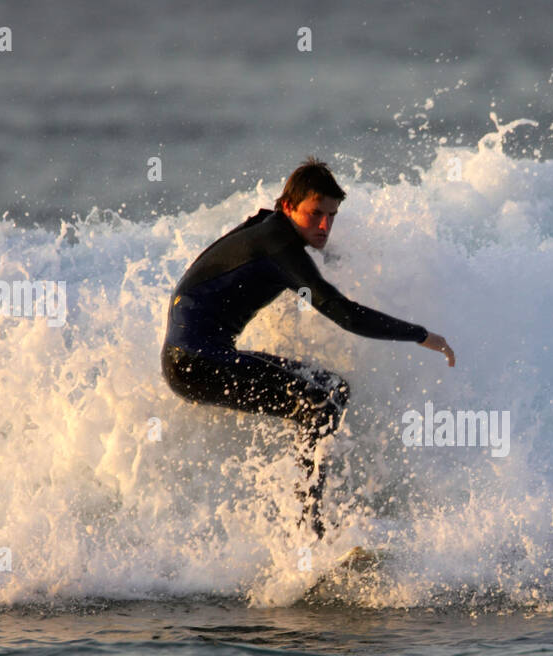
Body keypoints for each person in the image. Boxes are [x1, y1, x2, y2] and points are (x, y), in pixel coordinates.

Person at [161, 156, 456, 539]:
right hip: (196, 363)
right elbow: (342, 313)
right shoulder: (277, 244)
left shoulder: (269, 228)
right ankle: (307, 529)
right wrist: (421, 335)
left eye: (332, 216)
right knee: (320, 403)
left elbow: (303, 261)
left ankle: (305, 518)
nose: (324, 225)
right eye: (315, 213)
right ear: (288, 206)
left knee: (332, 388)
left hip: (197, 357)